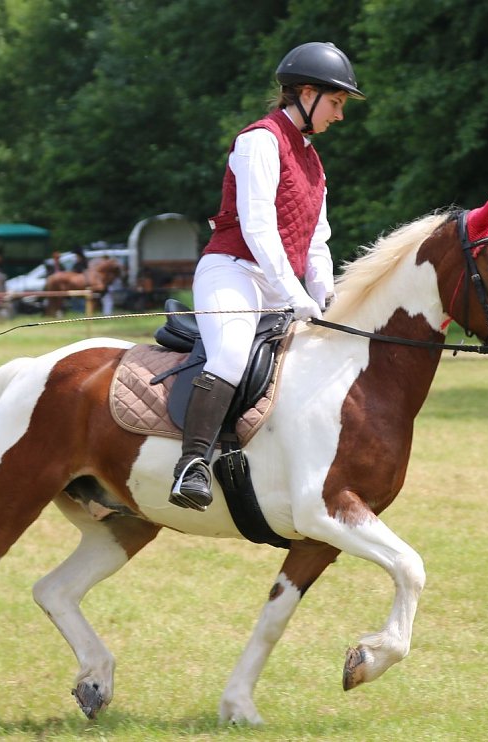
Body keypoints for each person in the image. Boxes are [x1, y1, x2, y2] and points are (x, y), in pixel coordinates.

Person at [169, 41, 365, 511]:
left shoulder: (313, 162)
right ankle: (191, 466)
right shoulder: (259, 140)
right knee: (233, 355)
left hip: (283, 285)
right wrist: (293, 293)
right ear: (305, 92)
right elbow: (257, 227)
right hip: (232, 272)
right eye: (336, 103)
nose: (339, 115)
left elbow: (316, 240)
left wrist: (324, 293)